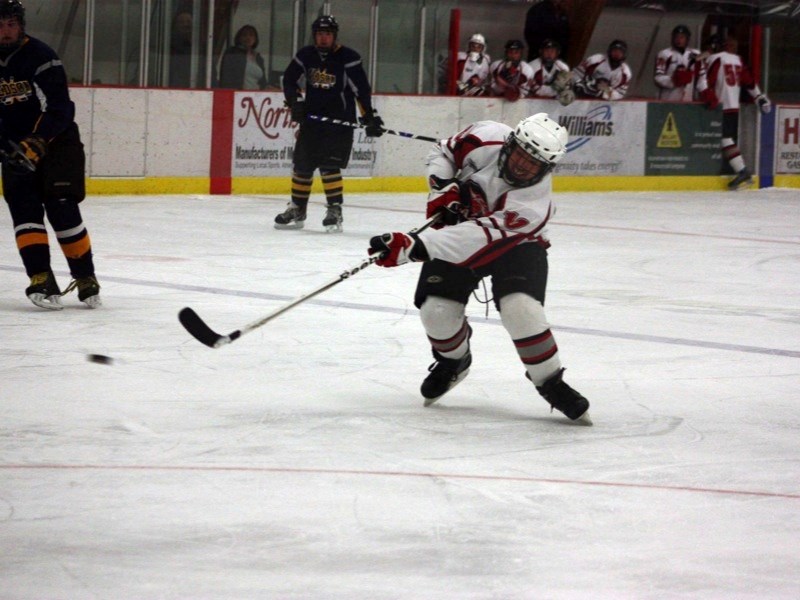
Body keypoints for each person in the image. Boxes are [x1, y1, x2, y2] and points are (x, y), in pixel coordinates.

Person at [367, 113, 592, 425]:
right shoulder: (486, 135)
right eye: (521, 154)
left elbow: (475, 239)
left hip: (517, 247)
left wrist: (414, 247)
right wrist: (442, 186)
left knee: (521, 310)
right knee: (436, 312)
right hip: (464, 229)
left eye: (534, 163)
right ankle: (454, 363)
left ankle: (550, 381)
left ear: (548, 167)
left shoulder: (532, 205)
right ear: (510, 142)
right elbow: (443, 152)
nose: (523, 166)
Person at [0, 0, 100, 309]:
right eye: (0, 25)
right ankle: (40, 276)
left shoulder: (41, 57)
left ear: (22, 25)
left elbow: (60, 108)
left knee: (61, 208)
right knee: (25, 209)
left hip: (57, 143)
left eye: (11, 24)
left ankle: (85, 277)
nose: (5, 32)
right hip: (15, 148)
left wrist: (37, 141)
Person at [275, 15, 383, 233]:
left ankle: (334, 209)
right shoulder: (306, 55)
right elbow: (289, 79)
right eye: (320, 34)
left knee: (329, 166)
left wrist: (369, 117)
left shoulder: (348, 57)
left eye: (327, 34)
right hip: (312, 121)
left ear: (334, 36)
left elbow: (360, 90)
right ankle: (297, 208)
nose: (323, 38)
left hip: (339, 123)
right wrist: (295, 101)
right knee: (302, 166)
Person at [696, 34, 771, 190]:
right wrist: (759, 98)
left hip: (719, 106)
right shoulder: (738, 60)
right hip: (733, 107)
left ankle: (742, 171)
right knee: (726, 139)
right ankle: (741, 170)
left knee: (724, 139)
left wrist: (706, 93)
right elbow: (749, 83)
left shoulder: (716, 58)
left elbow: (706, 81)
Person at [654, 25, 702, 102]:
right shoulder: (664, 54)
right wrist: (674, 80)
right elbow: (658, 77)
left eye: (682, 37)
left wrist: (705, 91)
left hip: (688, 100)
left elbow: (701, 76)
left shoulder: (695, 54)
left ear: (687, 39)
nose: (679, 40)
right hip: (668, 99)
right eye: (676, 37)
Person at [218, 25, 268, 90]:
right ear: (239, 38)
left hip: (257, 96)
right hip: (239, 95)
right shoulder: (233, 53)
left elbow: (263, 82)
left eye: (251, 35)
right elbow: (226, 78)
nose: (248, 37)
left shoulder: (258, 58)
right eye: (244, 35)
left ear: (255, 39)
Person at [527, 38, 574, 105]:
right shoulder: (531, 67)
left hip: (554, 103)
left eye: (552, 51)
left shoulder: (563, 68)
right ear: (541, 52)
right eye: (546, 51)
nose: (549, 54)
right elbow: (531, 90)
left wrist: (566, 90)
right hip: (533, 102)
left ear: (558, 53)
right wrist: (556, 89)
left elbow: (566, 89)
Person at [169, 9, 193, 88]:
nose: (185, 25)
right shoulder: (169, 49)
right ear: (175, 26)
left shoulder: (202, 49)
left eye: (188, 22)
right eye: (181, 22)